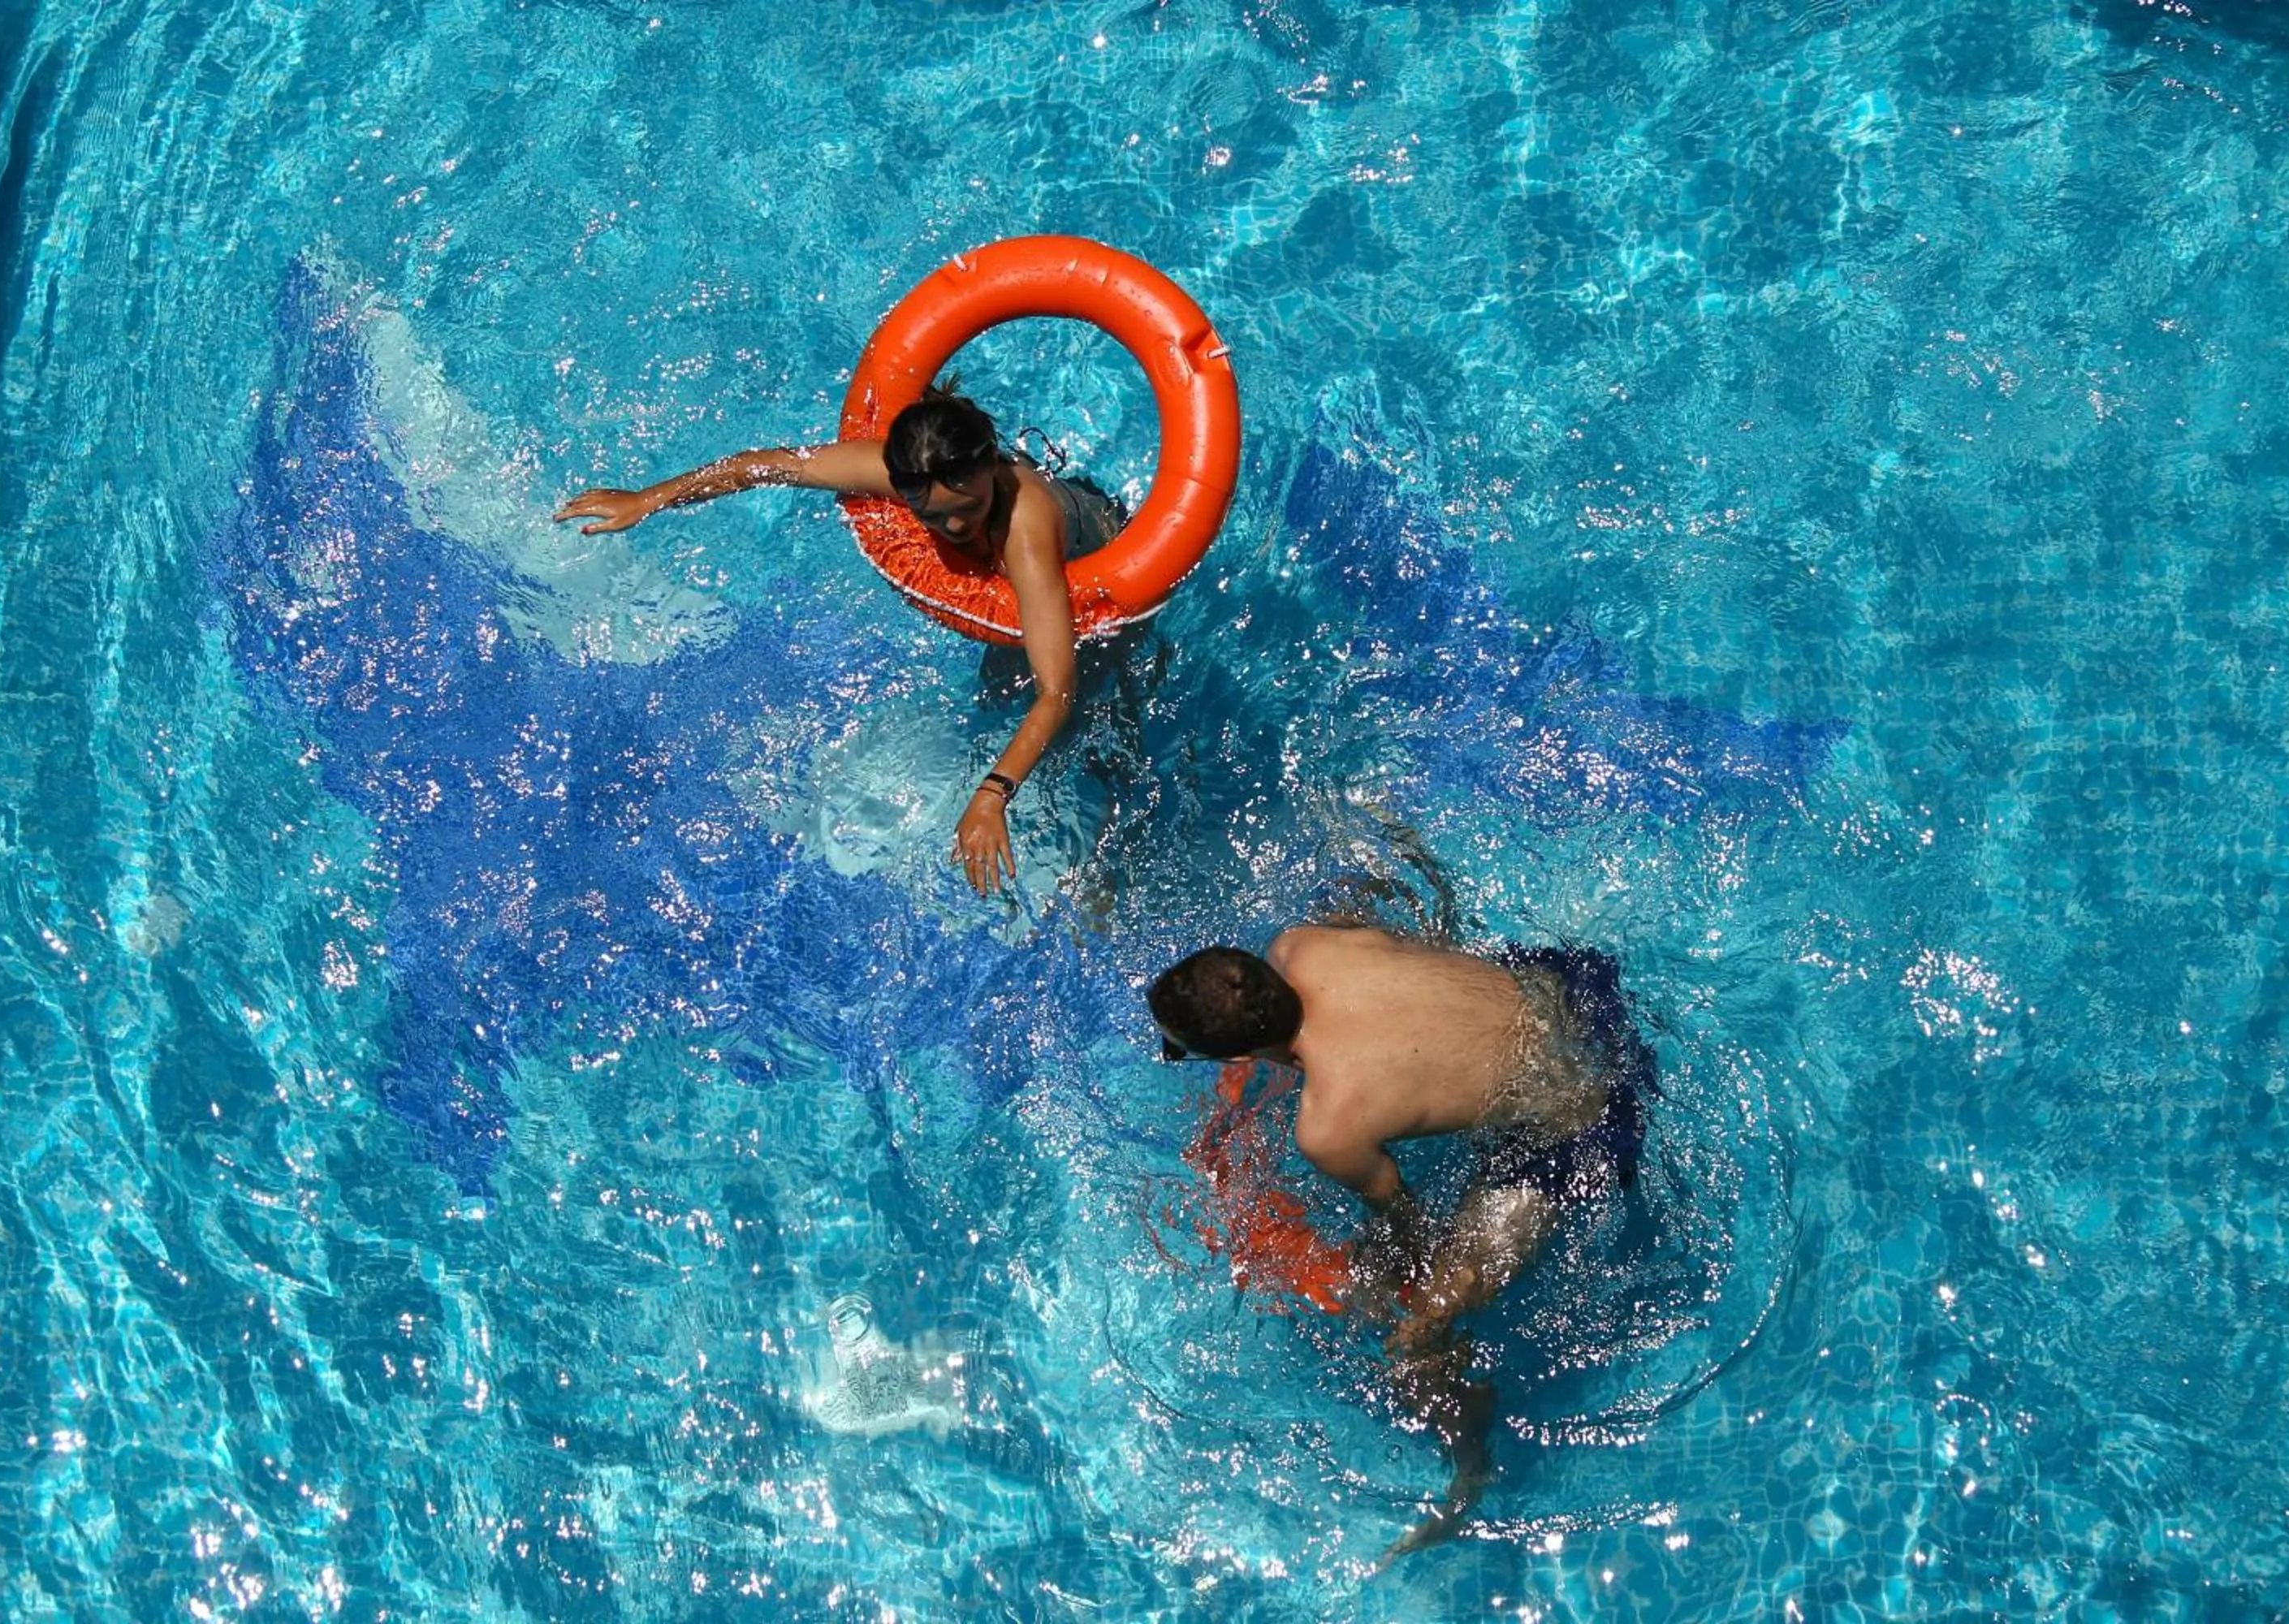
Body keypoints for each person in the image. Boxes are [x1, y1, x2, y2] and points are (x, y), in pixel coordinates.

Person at [1147, 923, 1649, 1555]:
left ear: (1233, 1056)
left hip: (1588, 1124)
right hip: (1575, 990)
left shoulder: (1328, 1128)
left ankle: (1470, 1478)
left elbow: (1404, 1222)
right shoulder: (1303, 945)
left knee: (1415, 1339)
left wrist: (1388, 1277)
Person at [554, 388, 1125, 896]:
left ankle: (1105, 873)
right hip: (1024, 589)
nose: (954, 530)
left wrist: (993, 794)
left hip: (1099, 591)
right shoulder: (904, 472)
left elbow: (1057, 690)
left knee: (1091, 734)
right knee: (996, 700)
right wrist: (648, 499)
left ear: (993, 470)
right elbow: (768, 467)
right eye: (934, 517)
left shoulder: (1024, 530)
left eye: (969, 511)